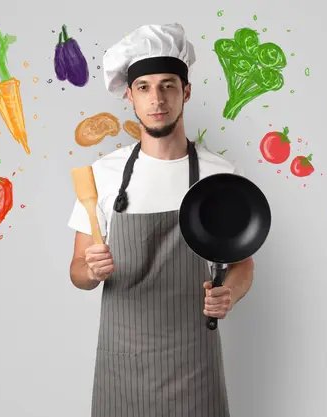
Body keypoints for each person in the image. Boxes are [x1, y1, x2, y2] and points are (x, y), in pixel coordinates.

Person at [67, 22, 255, 417]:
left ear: (185, 92)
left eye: (168, 85)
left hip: (194, 365)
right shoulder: (104, 174)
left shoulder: (219, 175)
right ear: (130, 97)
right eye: (144, 87)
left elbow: (243, 263)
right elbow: (77, 273)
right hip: (124, 366)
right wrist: (90, 269)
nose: (157, 99)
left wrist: (230, 294)